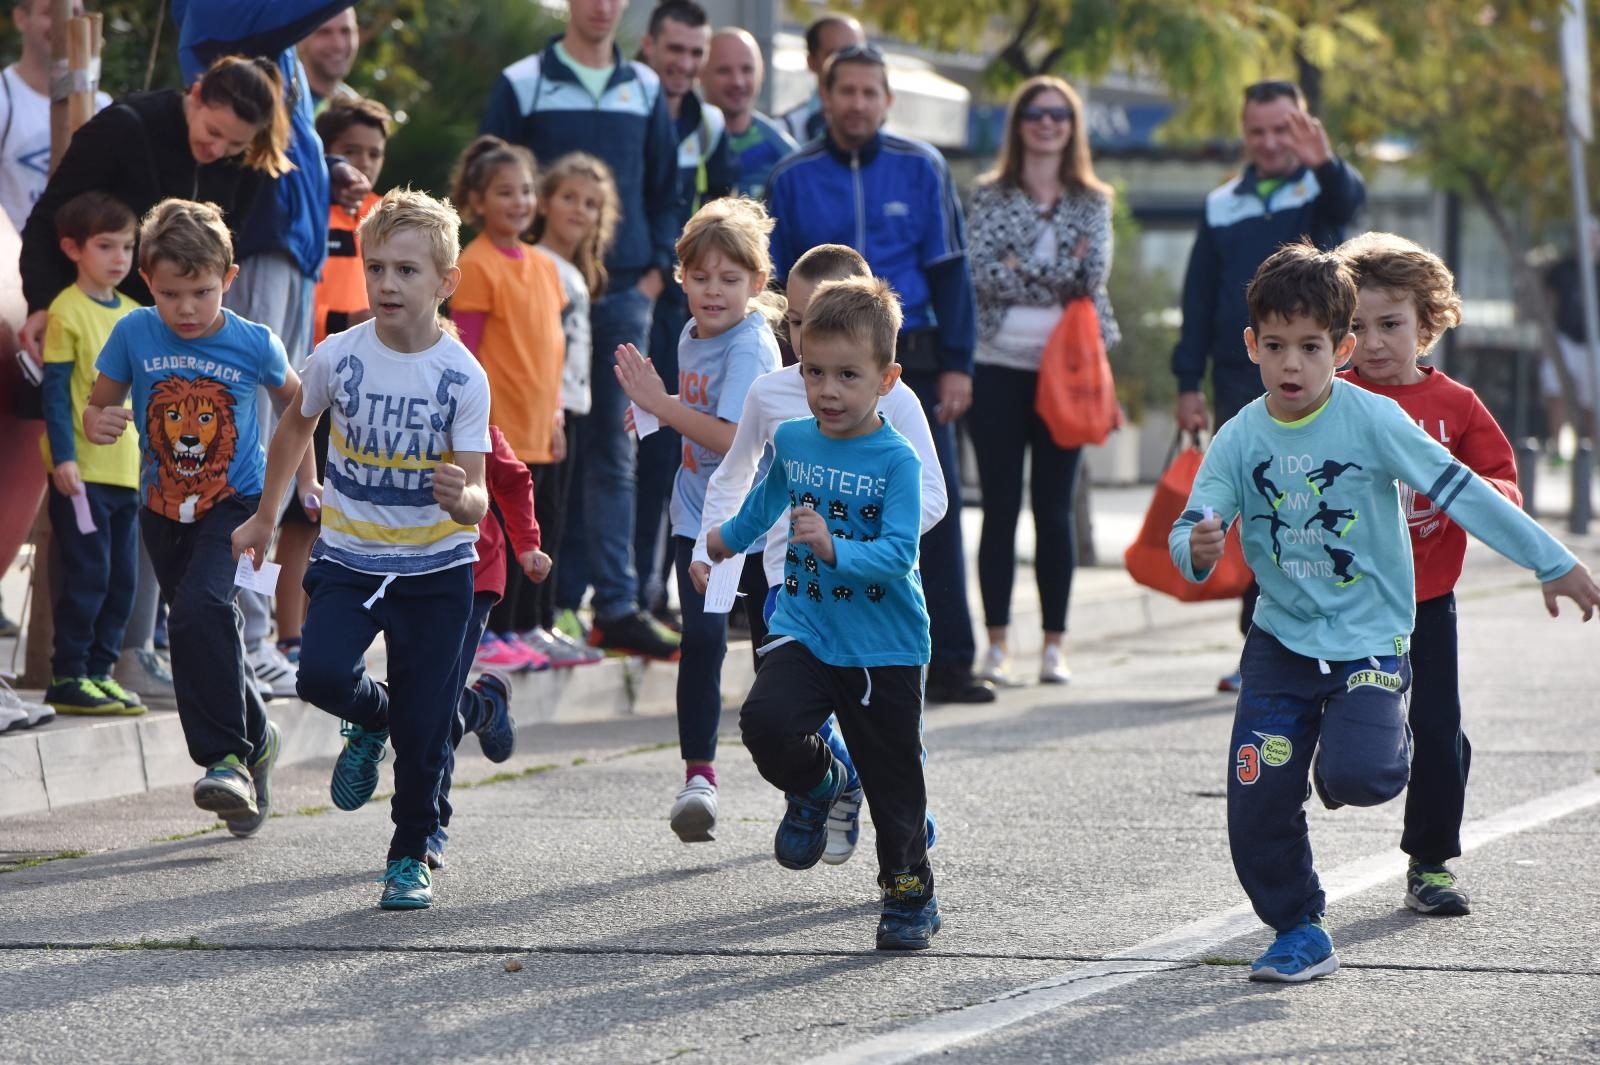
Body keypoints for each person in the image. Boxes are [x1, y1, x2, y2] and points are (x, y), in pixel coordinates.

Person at [1169, 243, 1600, 983]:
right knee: (1256, 795)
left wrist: (1551, 560)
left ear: (1339, 350)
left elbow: (1462, 487)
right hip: (1279, 645)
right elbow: (1191, 528)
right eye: (1275, 347)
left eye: (1310, 347)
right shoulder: (1241, 434)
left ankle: (1356, 747)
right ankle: (1299, 926)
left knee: (1365, 776)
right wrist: (1199, 545)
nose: (1292, 365)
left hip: (1371, 637)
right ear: (1252, 346)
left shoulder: (1371, 419)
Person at [233, 188, 492, 911]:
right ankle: (368, 713)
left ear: (444, 282)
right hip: (349, 556)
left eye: (407, 271)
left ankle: (410, 853)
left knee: (425, 727)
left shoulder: (462, 376)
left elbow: (477, 494)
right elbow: (293, 428)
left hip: (438, 569)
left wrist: (458, 496)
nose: (386, 284)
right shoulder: (338, 355)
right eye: (376, 267)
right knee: (316, 674)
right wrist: (264, 515)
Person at [691, 242, 947, 865]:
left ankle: (905, 872)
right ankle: (821, 788)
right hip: (793, 595)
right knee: (775, 719)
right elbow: (748, 483)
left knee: (886, 757)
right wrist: (715, 545)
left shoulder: (896, 427)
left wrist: (845, 545)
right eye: (801, 331)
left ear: (882, 370)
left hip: (878, 614)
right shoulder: (779, 405)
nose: (826, 383)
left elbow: (921, 512)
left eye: (845, 371)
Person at [766, 44, 990, 704]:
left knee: (930, 503)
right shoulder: (792, 175)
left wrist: (958, 365)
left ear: (887, 99)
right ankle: (826, 649)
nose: (858, 103)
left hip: (910, 353)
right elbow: (778, 286)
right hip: (826, 366)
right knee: (831, 501)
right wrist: (793, 365)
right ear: (825, 97)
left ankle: (950, 658)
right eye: (847, 91)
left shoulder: (923, 166)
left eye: (871, 92)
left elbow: (953, 272)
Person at [84, 198, 313, 838]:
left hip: (234, 504)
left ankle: (227, 760)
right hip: (159, 509)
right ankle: (259, 735)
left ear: (229, 279)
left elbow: (300, 407)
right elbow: (99, 406)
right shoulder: (133, 332)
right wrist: (97, 423)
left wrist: (307, 484)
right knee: (194, 629)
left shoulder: (253, 342)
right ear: (148, 283)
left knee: (199, 611)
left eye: (202, 292)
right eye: (170, 293)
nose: (186, 308)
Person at [176, 1, 368, 700]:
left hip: (286, 255)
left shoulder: (269, 33)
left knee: (275, 437)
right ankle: (240, 631)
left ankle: (249, 632)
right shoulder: (226, 13)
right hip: (255, 256)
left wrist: (331, 163)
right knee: (248, 441)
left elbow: (286, 131)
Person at [481, 0, 681, 660]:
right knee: (540, 450)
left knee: (615, 452)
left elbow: (663, 189)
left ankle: (616, 605)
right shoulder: (520, 80)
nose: (601, 7)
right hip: (537, 290)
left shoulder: (647, 86)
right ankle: (549, 603)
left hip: (625, 291)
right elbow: (490, 171)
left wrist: (652, 277)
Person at [1337, 231, 1521, 917]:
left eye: (1390, 324)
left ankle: (1431, 860)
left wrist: (1494, 495)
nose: (1375, 341)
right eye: (1356, 327)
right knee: (1315, 724)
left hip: (1426, 600)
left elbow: (1500, 477)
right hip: (1341, 599)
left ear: (1427, 322)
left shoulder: (1458, 406)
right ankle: (1283, 855)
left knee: (1439, 728)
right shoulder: (1332, 398)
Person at [1170, 80, 1367, 693]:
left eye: (1283, 129)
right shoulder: (1222, 202)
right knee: (1263, 511)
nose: (1270, 141)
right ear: (1244, 132)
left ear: (1303, 127)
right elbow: (1198, 296)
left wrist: (1326, 162)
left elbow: (1348, 203)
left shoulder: (1319, 188)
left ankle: (1343, 633)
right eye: (1258, 131)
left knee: (1318, 509)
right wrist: (1187, 378)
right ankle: (1261, 646)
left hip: (1314, 378)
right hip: (1241, 376)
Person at [613, 196, 781, 841]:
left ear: (757, 284)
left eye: (729, 279)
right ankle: (699, 780)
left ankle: (813, 776)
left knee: (776, 655)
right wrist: (660, 410)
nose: (713, 292)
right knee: (703, 643)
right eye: (700, 277)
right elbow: (700, 409)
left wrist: (663, 402)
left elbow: (735, 438)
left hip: (759, 522)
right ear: (682, 277)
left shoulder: (752, 346)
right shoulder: (690, 333)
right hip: (698, 515)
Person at [967, 75, 1119, 689]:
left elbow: (1091, 277)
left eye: (1058, 113)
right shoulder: (989, 195)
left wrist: (1018, 264)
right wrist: (1053, 271)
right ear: (1019, 122)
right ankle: (998, 645)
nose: (1047, 122)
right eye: (1034, 112)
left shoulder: (1093, 199)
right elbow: (981, 272)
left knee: (1054, 511)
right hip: (997, 364)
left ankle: (1055, 645)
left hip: (1070, 373)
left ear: (1072, 124)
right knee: (1000, 509)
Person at [18, 53, 290, 364]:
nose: (217, 151)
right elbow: (48, 218)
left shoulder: (247, 162)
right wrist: (42, 301)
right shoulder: (123, 128)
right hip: (93, 317)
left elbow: (230, 240)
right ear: (197, 94)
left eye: (234, 145)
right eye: (213, 132)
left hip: (175, 329)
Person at [272, 95, 391, 667]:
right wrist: (352, 325)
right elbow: (308, 302)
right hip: (310, 374)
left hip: (364, 386)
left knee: (339, 514)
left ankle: (324, 631)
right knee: (301, 512)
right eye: (350, 151)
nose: (363, 164)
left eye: (374, 152)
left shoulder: (382, 217)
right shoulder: (310, 208)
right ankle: (286, 632)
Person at [633, 0, 739, 628]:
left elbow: (728, 213)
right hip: (647, 290)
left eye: (695, 54)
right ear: (649, 47)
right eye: (675, 50)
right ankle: (634, 590)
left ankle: (663, 589)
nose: (684, 64)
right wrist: (651, 271)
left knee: (680, 445)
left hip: (697, 305)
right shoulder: (633, 108)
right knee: (637, 447)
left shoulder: (712, 125)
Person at [446, 135, 567, 674]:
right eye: (503, 192)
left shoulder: (544, 265)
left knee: (535, 525)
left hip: (540, 418)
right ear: (476, 201)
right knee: (498, 527)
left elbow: (551, 345)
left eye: (524, 191)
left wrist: (558, 412)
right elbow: (464, 349)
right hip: (496, 424)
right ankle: (495, 628)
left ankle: (528, 625)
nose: (518, 202)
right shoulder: (476, 261)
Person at [426, 423, 551, 871]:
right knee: (419, 692)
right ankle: (483, 708)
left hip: (473, 575)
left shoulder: (474, 421)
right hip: (401, 571)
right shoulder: (382, 412)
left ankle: (429, 824)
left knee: (435, 704)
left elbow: (514, 482)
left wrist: (528, 546)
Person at [39, 191, 141, 717]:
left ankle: (100, 674)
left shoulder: (136, 314)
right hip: (83, 474)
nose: (120, 257)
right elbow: (56, 392)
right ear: (73, 248)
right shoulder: (67, 308)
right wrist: (63, 458)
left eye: (127, 246)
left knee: (123, 580)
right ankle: (68, 674)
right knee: (89, 575)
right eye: (106, 246)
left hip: (128, 475)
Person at [527, 152, 617, 667]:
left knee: (563, 516)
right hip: (550, 409)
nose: (578, 211)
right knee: (544, 517)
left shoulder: (578, 273)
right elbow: (543, 347)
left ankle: (554, 612)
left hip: (572, 405)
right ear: (544, 202)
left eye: (590, 204)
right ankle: (540, 616)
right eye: (568, 198)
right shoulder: (542, 265)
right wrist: (555, 409)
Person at [0, 0, 110, 235]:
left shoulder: (101, 105)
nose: (65, 23)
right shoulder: (4, 98)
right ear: (21, 18)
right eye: (51, 14)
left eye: (76, 13)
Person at [702, 28, 797, 199]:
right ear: (701, 73)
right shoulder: (681, 141)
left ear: (762, 72)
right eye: (724, 70)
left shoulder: (785, 156)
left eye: (747, 70)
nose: (737, 81)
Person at [1538, 218, 1600, 454]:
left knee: (1591, 399)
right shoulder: (1562, 269)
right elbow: (1550, 305)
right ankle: (1558, 447)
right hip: (1564, 338)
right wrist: (1548, 343)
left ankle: (1592, 452)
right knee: (1557, 391)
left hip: (1593, 343)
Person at [777, 13, 864, 144]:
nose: (848, 64)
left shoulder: (878, 131)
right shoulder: (785, 131)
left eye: (855, 53)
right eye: (834, 55)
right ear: (811, 62)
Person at [298, 7, 360, 112]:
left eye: (346, 31)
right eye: (325, 32)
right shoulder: (282, 105)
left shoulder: (355, 109)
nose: (338, 45)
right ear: (301, 40)